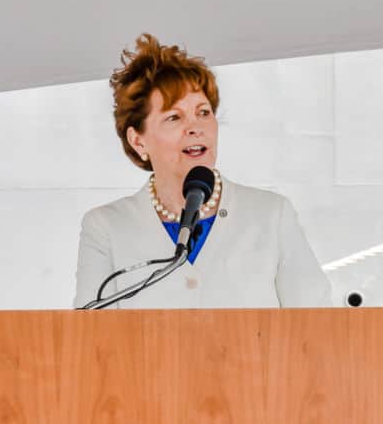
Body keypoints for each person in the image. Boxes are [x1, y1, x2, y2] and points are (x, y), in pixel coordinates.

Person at [73, 34, 332, 309]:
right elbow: (91, 341)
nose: (196, 127)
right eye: (174, 117)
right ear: (139, 141)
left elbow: (317, 326)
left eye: (204, 112)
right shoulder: (106, 227)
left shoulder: (271, 215)